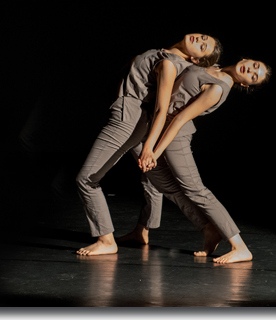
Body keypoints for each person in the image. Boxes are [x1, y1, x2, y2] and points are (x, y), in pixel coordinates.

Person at [75, 34, 222, 256]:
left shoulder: (169, 64)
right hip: (135, 118)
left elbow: (161, 110)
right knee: (158, 181)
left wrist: (149, 147)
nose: (198, 40)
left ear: (197, 61)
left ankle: (106, 240)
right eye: (202, 37)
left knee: (87, 179)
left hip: (129, 118)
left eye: (203, 46)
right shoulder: (164, 55)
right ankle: (197, 227)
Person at [119, 58, 271, 264]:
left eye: (254, 76)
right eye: (254, 66)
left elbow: (180, 119)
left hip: (175, 136)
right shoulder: (213, 68)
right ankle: (203, 230)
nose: (251, 70)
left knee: (195, 189)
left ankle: (240, 246)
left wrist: (155, 151)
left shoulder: (218, 89)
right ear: (246, 59)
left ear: (245, 84)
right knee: (157, 180)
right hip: (156, 125)